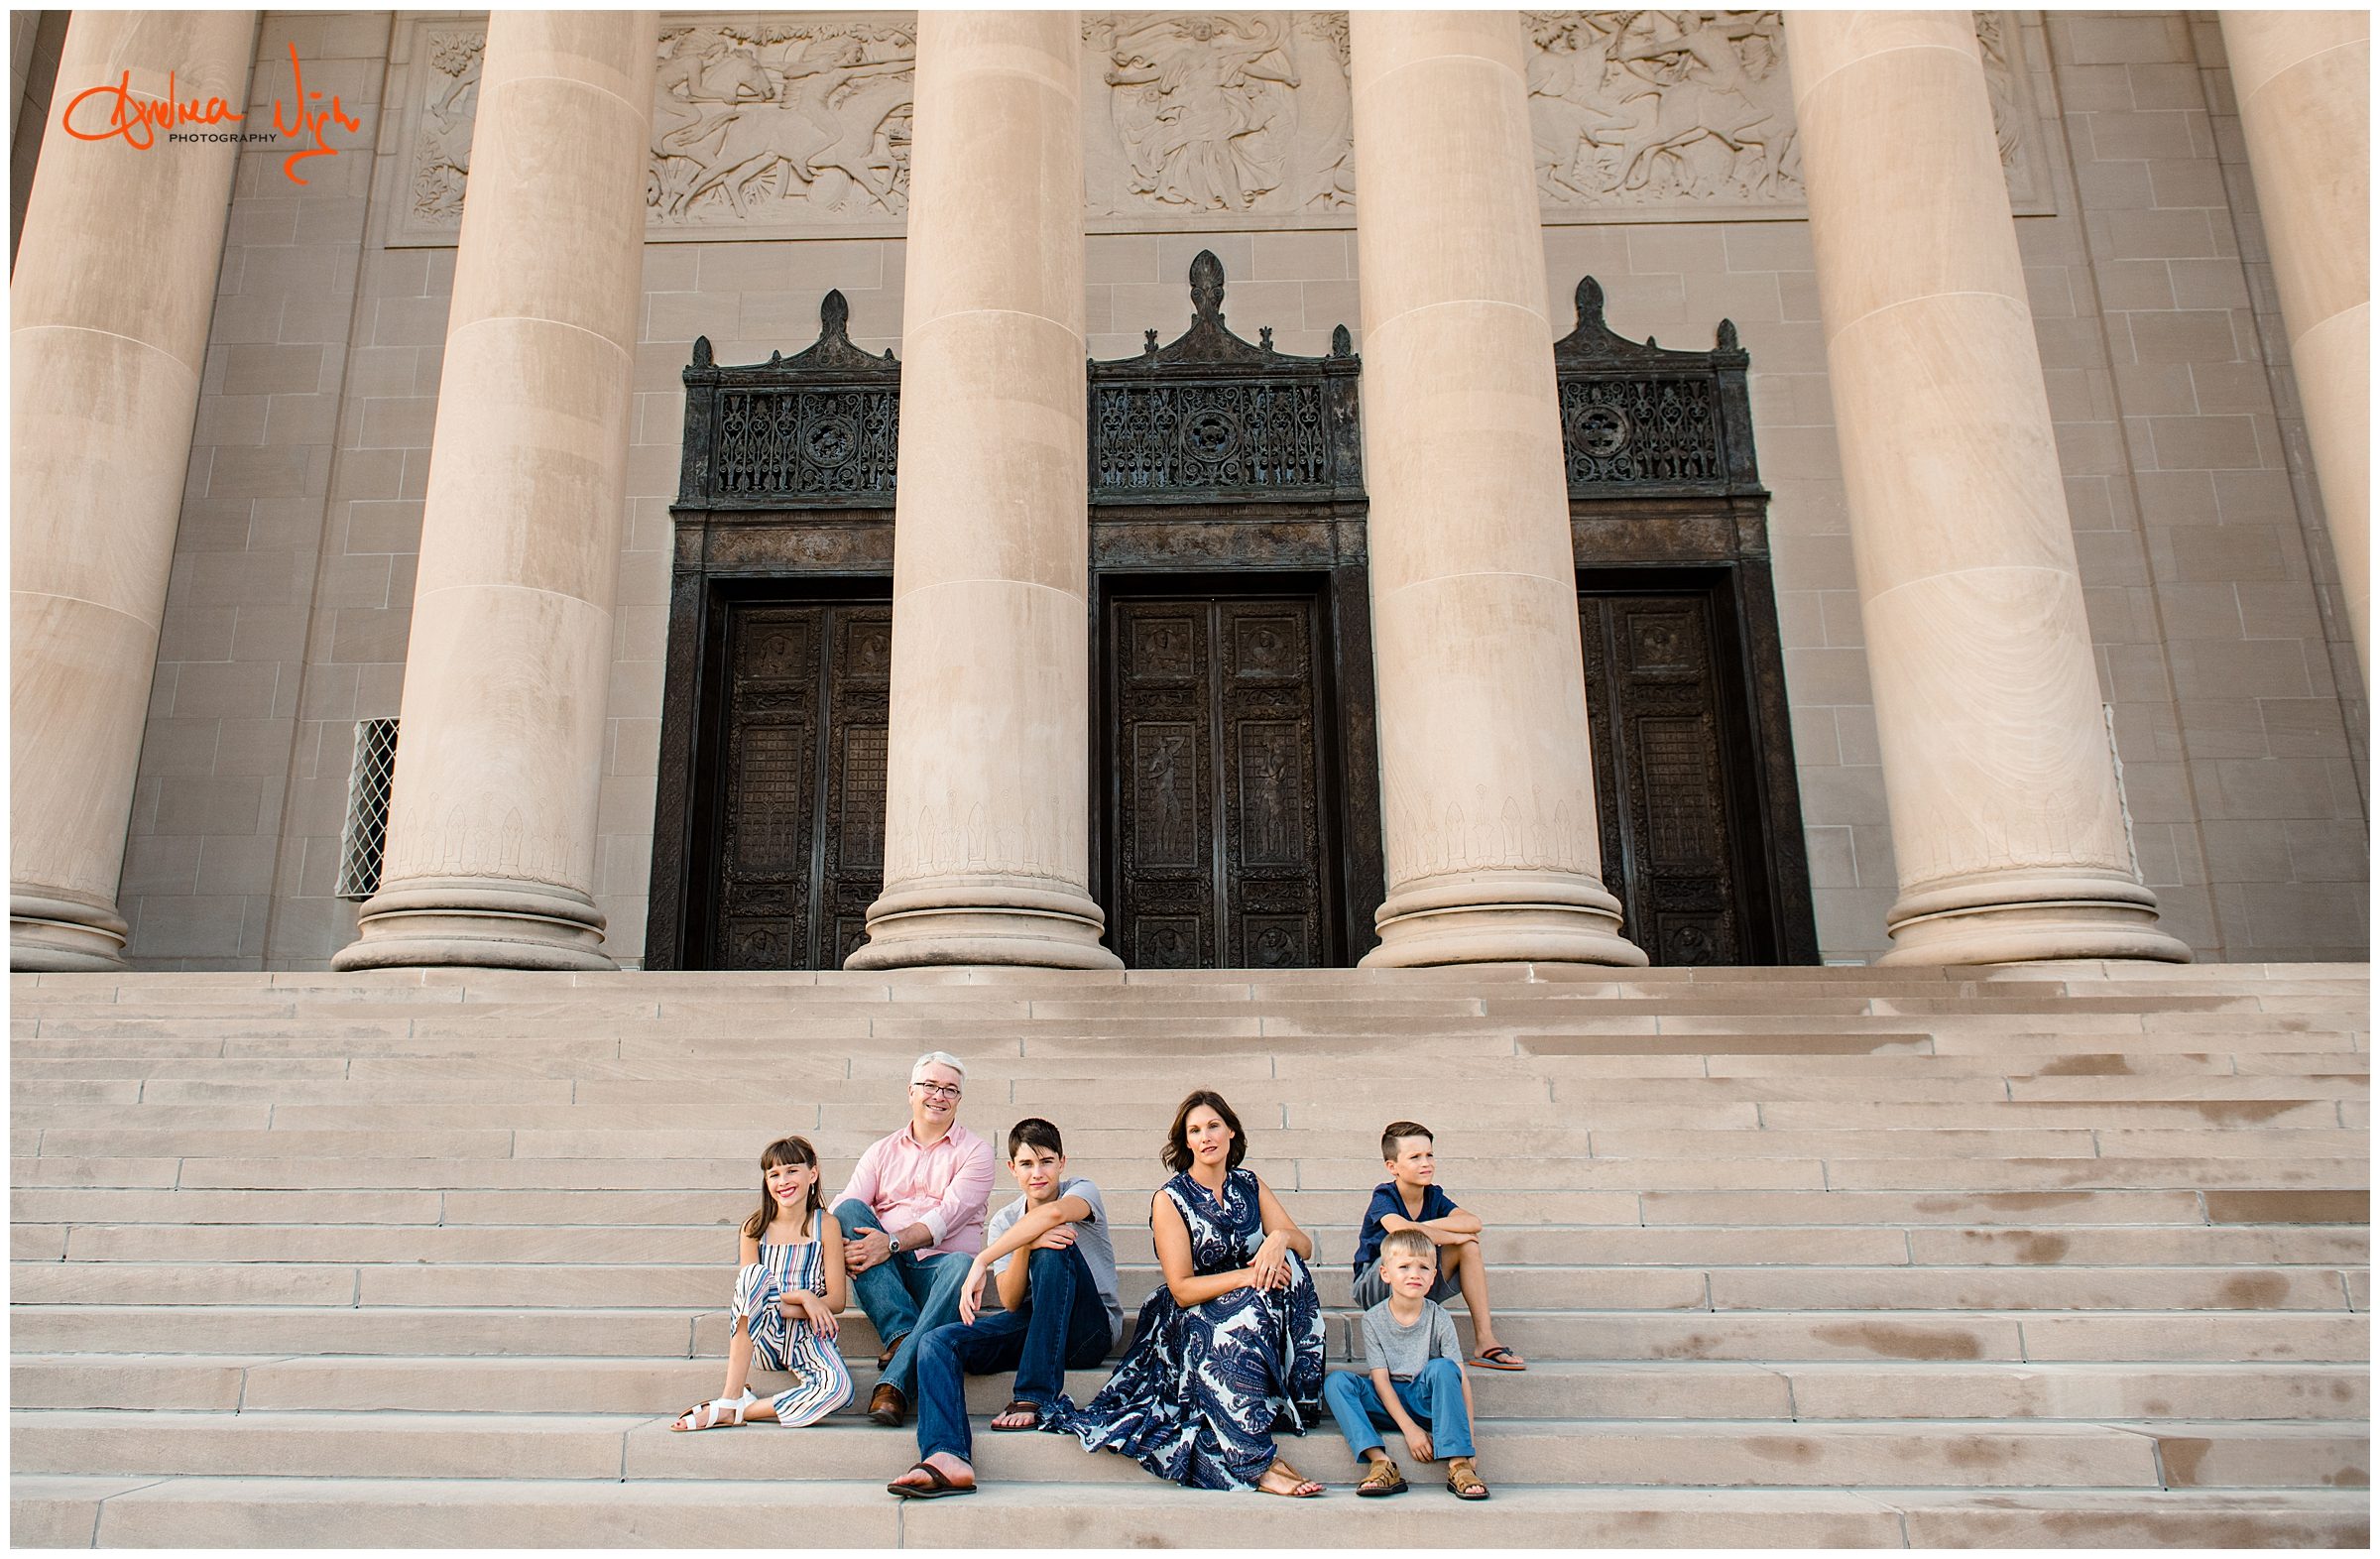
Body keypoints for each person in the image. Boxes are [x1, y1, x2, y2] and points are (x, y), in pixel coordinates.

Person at [1041, 1089, 1329, 1497]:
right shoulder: (1170, 1198)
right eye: (1195, 1130)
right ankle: (1255, 1461)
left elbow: (1304, 1245)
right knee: (1242, 1312)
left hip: (1251, 1297)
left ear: (1231, 1131)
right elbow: (1181, 1289)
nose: (1206, 1136)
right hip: (1191, 1311)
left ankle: (1292, 1399)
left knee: (1293, 1267)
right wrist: (1248, 1278)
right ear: (1186, 1142)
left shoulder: (1249, 1183)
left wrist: (1279, 1236)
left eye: (1213, 1126)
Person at [885, 1118, 1124, 1499]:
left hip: (1087, 1331)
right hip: (1035, 1323)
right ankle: (947, 1454)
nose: (1038, 1173)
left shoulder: (1081, 1190)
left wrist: (981, 1261)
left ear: (1063, 1161)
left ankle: (1036, 1393)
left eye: (1046, 1161)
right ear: (1012, 1169)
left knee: (1051, 1246)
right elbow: (1011, 1301)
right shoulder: (1004, 1220)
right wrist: (1026, 1244)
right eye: (1027, 1164)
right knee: (936, 1342)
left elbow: (1054, 1215)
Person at [834, 1051, 995, 1428]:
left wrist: (887, 1243)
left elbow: (946, 1218)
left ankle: (895, 1380)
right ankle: (903, 1332)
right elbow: (845, 1204)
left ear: (959, 1099)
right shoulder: (882, 1150)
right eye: (930, 1086)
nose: (939, 1096)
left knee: (961, 1263)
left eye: (950, 1090)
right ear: (911, 1091)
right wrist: (841, 1245)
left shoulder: (977, 1152)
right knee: (848, 1212)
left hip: (939, 1276)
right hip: (885, 1277)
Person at [671, 1135, 853, 1430]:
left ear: (813, 1174)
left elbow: (836, 1302)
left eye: (792, 1170)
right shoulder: (754, 1229)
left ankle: (742, 1410)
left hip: (809, 1337)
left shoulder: (826, 1225)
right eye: (774, 1174)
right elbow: (750, 1299)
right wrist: (804, 1297)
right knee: (753, 1275)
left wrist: (797, 1301)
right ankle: (731, 1396)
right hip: (764, 1338)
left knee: (840, 1389)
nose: (783, 1180)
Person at [1321, 1228, 1489, 1499]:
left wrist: (1469, 1442)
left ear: (1433, 1277)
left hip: (1425, 1401)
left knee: (1444, 1368)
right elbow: (1380, 1380)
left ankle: (1458, 1464)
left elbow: (1460, 1379)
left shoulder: (1440, 1318)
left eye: (1424, 1267)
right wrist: (1410, 1431)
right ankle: (1380, 1463)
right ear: (1385, 1273)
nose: (1414, 1274)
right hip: (1387, 1402)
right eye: (1404, 1266)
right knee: (1337, 1382)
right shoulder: (1373, 1319)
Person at [1351, 1120, 1525, 1371]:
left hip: (1419, 1277)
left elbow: (1473, 1222)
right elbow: (1399, 1229)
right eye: (1415, 1157)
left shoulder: (1434, 1195)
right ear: (1392, 1166)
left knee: (1469, 1247)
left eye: (1429, 1155)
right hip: (1378, 1281)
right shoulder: (1384, 1196)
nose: (1426, 1163)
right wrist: (1450, 1236)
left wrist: (1429, 1227)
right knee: (1409, 1249)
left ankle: (1485, 1341)